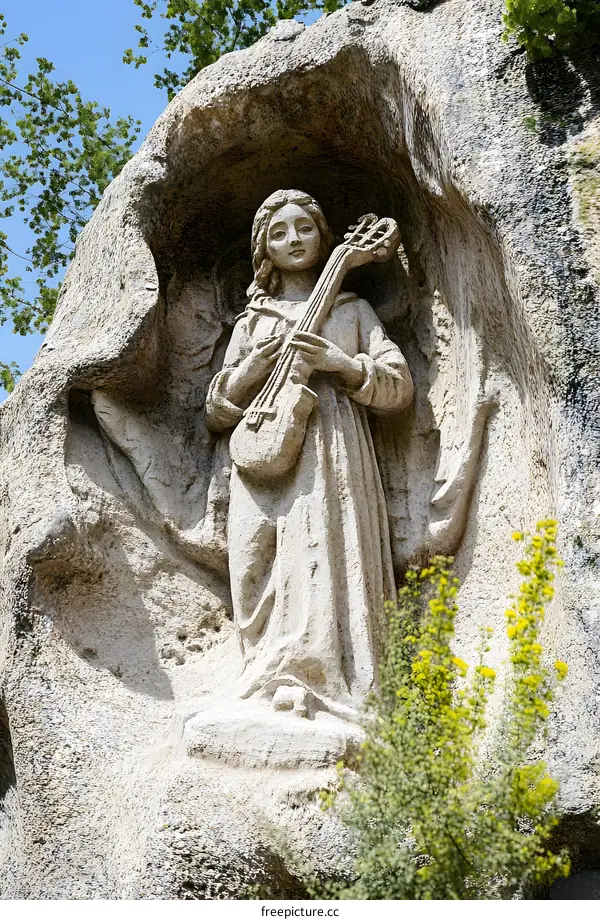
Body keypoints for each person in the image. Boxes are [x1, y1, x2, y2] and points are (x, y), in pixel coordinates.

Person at [205, 189, 413, 721]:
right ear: (264, 251)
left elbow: (399, 388)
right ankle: (265, 672)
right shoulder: (252, 322)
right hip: (260, 450)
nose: (292, 239)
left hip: (331, 448)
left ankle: (323, 680)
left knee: (324, 550)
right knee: (257, 565)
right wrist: (251, 371)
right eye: (279, 232)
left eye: (303, 228)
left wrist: (343, 365)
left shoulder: (353, 309)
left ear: (323, 237)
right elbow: (216, 409)